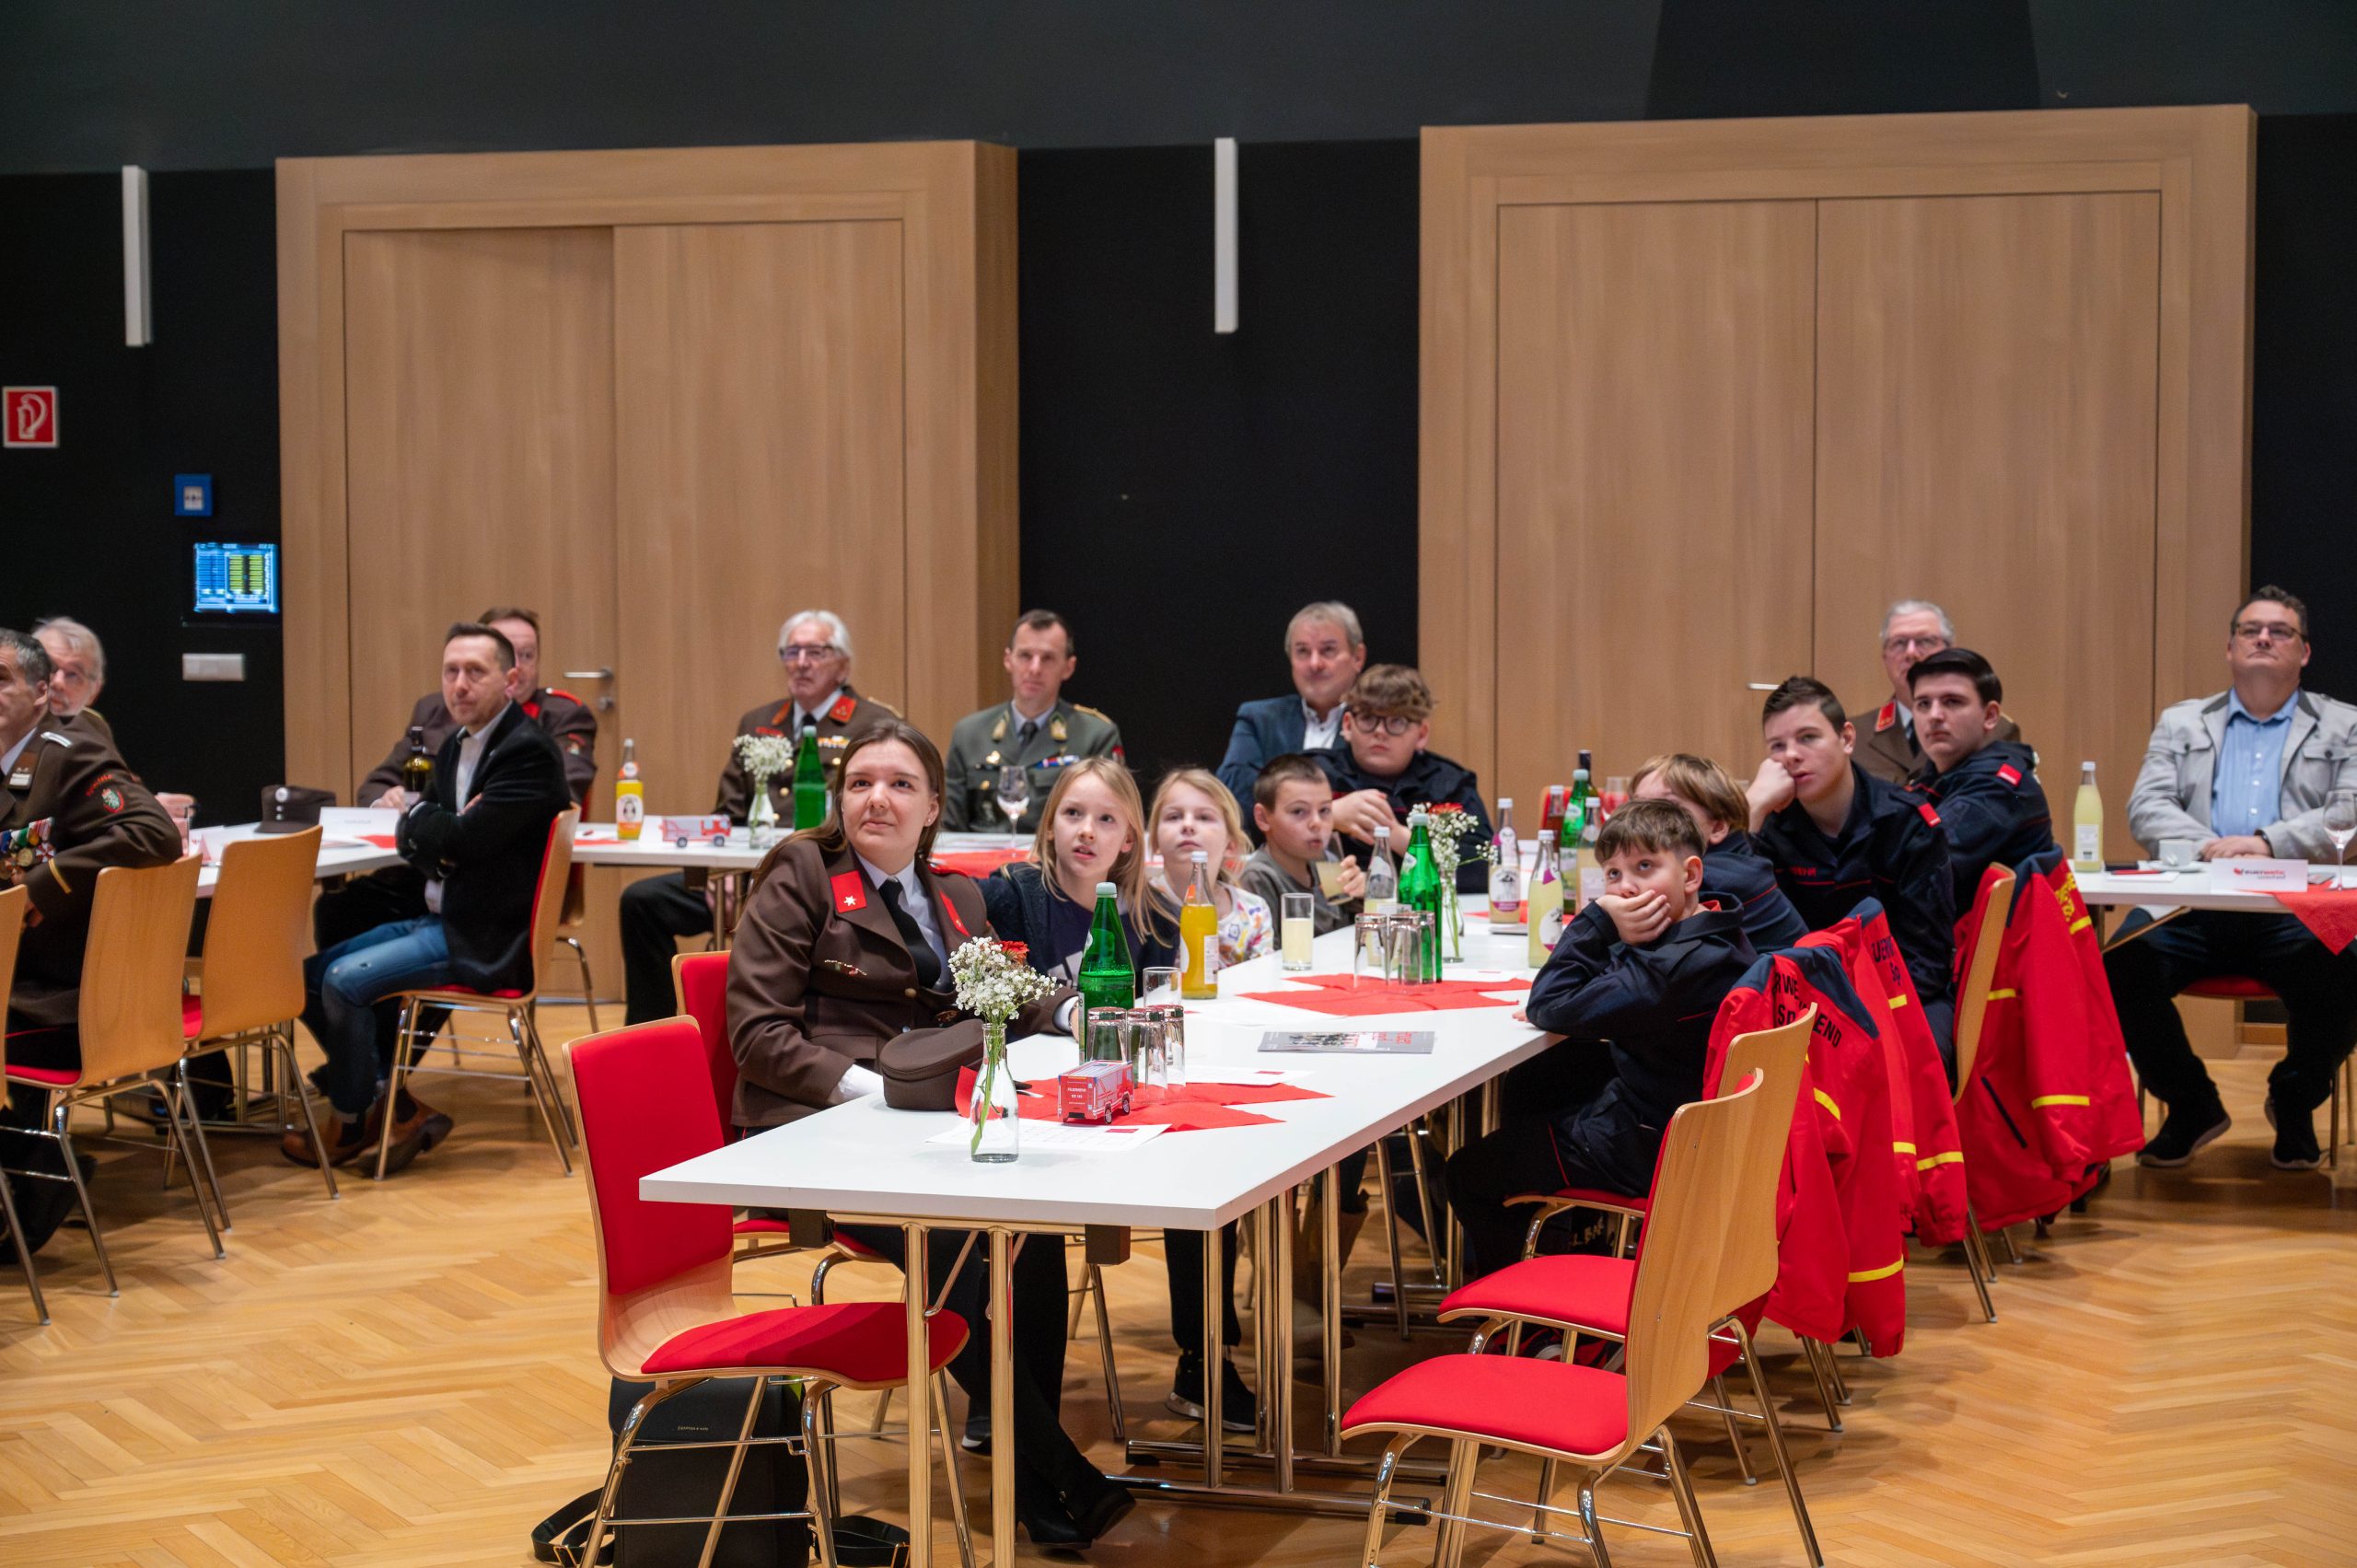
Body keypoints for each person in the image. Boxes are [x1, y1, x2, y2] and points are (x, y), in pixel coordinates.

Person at [723, 720, 1132, 1549]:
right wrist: (874, 1091)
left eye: (900, 783)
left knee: (1036, 1232)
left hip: (922, 1119)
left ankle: (1035, 1476)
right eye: (861, 782)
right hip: (815, 1129)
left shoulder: (954, 895)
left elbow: (1006, 990)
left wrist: (1069, 1010)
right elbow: (757, 1035)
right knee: (954, 1244)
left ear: (934, 805)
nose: (877, 797)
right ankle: (1055, 1473)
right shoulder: (801, 873)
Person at [286, 624, 572, 1176]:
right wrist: (435, 826)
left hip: (484, 935)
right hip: (441, 915)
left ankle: (351, 1120)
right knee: (306, 979)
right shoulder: (458, 745)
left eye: (475, 672)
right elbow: (418, 839)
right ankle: (391, 1106)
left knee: (343, 983)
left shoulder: (527, 753)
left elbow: (456, 839)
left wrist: (433, 826)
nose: (459, 685)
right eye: (450, 672)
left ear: (510, 680)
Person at [1444, 799, 1758, 1278]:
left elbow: (1548, 1004)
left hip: (1651, 1144)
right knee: (1536, 1079)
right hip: (1678, 1117)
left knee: (1469, 1173)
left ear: (1691, 875)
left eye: (1645, 867)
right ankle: (1565, 1251)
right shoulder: (1717, 932)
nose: (1626, 887)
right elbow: (1593, 991)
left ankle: (1521, 1308)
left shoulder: (1669, 972)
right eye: (1613, 875)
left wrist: (1598, 920)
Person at [2107, 587, 2357, 1171]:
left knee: (2348, 971)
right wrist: (2210, 849)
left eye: (2280, 631)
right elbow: (2147, 807)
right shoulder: (2182, 721)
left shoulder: (2345, 725)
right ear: (2230, 648)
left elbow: (2350, 809)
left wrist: (2266, 844)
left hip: (2295, 909)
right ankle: (2192, 1104)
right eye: (2251, 630)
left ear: (2304, 652)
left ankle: (2294, 1101)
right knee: (2117, 967)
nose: (2264, 639)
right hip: (2190, 905)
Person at [0, 627, 182, 1260]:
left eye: (0, 679)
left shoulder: (70, 752)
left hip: (53, 989)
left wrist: (44, 885)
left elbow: (154, 832)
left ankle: (38, 1175)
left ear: (40, 692)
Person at [619, 610, 896, 1025]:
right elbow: (727, 814)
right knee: (642, 902)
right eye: (792, 652)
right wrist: (720, 872)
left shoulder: (875, 725)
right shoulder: (760, 722)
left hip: (828, 877)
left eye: (816, 652)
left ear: (843, 664)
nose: (801, 663)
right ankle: (650, 1035)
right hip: (745, 877)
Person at [316, 606, 598, 953]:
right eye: (508, 652)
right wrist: (390, 802)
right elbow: (379, 784)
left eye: (527, 655)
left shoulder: (558, 718)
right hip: (421, 869)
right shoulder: (438, 712)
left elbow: (560, 794)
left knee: (343, 974)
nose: (519, 666)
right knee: (337, 908)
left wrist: (430, 818)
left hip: (495, 883)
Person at [1747, 676, 1957, 1063]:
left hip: (1903, 995)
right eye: (1777, 746)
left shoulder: (1906, 822)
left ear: (1846, 738)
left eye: (1808, 738)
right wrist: (1752, 810)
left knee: (1912, 1065)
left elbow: (1927, 963)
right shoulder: (1769, 829)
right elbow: (1736, 923)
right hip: (1804, 1003)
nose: (1791, 755)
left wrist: (1858, 1021)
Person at [1313, 664, 1492, 892]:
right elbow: (1270, 837)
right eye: (1368, 718)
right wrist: (1330, 815)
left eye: (1397, 721)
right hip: (1331, 904)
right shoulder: (1314, 773)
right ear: (1348, 725)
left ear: (1421, 734)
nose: (1379, 731)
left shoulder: (1449, 783)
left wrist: (1401, 838)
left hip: (1419, 904)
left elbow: (1485, 868)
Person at [941, 610, 1123, 833]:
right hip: (981, 854)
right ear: (1008, 660)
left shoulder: (1096, 735)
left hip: (1057, 853)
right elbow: (949, 826)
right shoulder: (969, 733)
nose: (1035, 669)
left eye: (1048, 658)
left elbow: (1110, 821)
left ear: (1068, 667)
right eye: (1025, 656)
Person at [1903, 648, 2055, 912]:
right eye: (1923, 704)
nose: (1934, 715)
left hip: (1981, 938)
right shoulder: (1933, 778)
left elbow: (1918, 868)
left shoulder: (1999, 787)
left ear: (1990, 716)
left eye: (1952, 702)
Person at [1629, 752, 1808, 950]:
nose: (1644, 821)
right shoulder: (1734, 858)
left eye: (1667, 809)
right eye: (1636, 807)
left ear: (1717, 828)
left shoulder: (1712, 880)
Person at [1215, 600, 1366, 812]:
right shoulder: (1259, 720)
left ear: (1358, 657)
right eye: (1303, 651)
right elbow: (1232, 796)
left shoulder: (1374, 724)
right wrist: (1330, 813)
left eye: (1328, 650)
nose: (1315, 663)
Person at [1855, 599, 2026, 785]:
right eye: (1899, 643)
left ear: (1951, 651)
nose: (1911, 653)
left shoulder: (1993, 729)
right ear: (1885, 658)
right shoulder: (1854, 734)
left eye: (1925, 641)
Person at [1240, 753, 1367, 935]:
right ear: (1263, 818)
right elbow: (1267, 952)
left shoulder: (1327, 861)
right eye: (1299, 811)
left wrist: (1363, 893)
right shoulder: (1257, 877)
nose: (1317, 823)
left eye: (1324, 810)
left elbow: (1347, 933)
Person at [30, 616, 116, 747]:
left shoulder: (93, 752)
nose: (58, 682)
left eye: (72, 674)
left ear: (94, 691)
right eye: (48, 666)